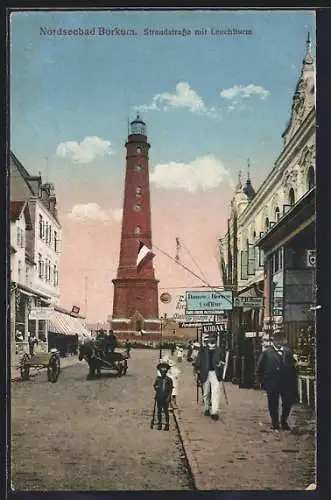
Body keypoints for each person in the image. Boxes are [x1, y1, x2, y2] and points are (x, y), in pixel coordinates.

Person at [255, 328, 297, 431]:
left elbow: (292, 367)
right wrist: (261, 381)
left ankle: (284, 421)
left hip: (286, 383)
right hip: (272, 382)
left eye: (280, 339)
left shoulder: (288, 352)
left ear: (283, 340)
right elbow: (259, 368)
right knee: (273, 404)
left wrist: (293, 381)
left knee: (287, 402)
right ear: (273, 340)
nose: (278, 341)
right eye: (276, 339)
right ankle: (275, 422)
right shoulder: (267, 353)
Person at [193, 335, 225, 420]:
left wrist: (221, 365)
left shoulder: (219, 350)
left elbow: (223, 361)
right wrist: (197, 370)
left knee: (215, 392)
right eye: (210, 342)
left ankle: (214, 412)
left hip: (215, 373)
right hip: (205, 373)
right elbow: (198, 361)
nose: (212, 344)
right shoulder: (203, 350)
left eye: (213, 342)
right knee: (206, 392)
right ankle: (207, 407)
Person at [153, 360, 173, 431]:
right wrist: (156, 387)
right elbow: (154, 385)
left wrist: (168, 397)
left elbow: (171, 389)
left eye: (165, 369)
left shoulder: (169, 380)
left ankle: (167, 424)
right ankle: (159, 423)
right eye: (161, 370)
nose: (163, 371)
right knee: (159, 411)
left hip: (166, 397)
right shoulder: (158, 379)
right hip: (159, 397)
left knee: (166, 411)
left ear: (167, 371)